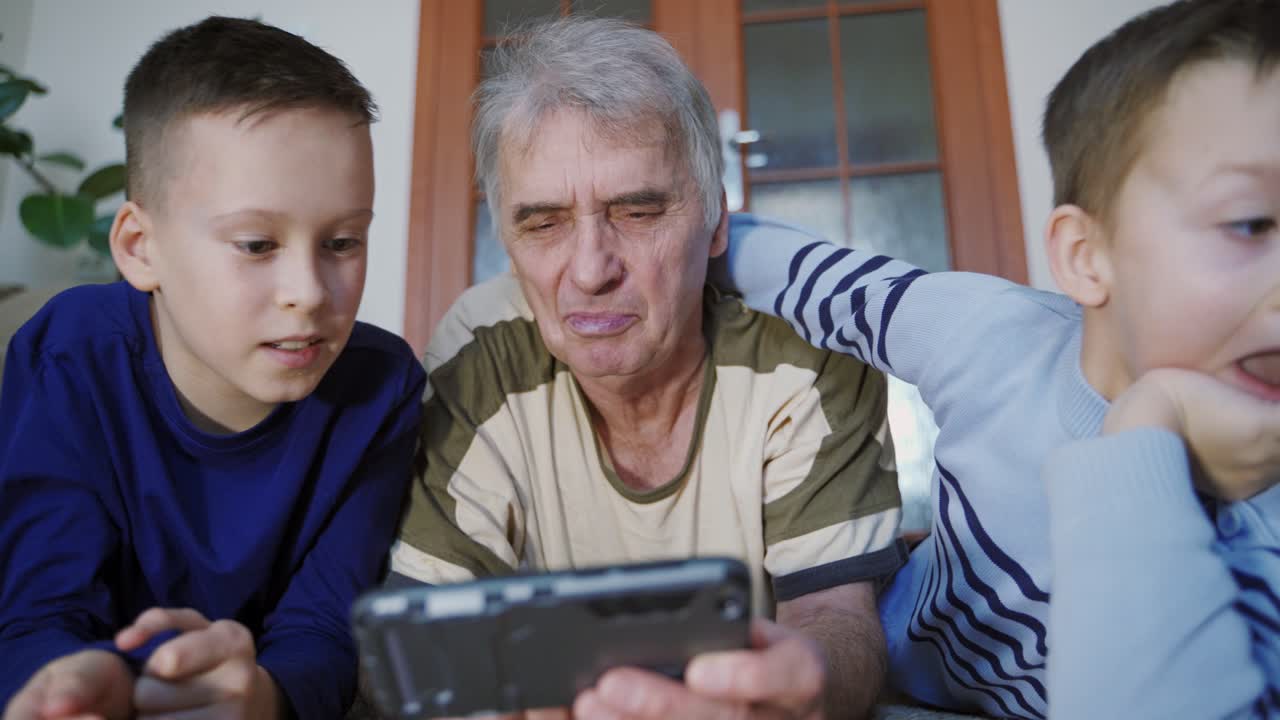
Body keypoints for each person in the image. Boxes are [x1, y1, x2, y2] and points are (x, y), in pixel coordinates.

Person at [712, 0, 1280, 717]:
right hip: (874, 677)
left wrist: (1143, 432)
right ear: (1086, 256)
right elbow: (787, 268)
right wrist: (669, 232)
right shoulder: (991, 334)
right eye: (1250, 223)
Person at [390, 16, 903, 720]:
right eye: (543, 224)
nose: (592, 270)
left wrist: (801, 683)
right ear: (507, 238)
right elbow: (429, 646)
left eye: (636, 211)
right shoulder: (478, 358)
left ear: (716, 218)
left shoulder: (807, 354)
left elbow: (836, 620)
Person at [0, 16, 425, 720]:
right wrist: (70, 682)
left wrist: (261, 695)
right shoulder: (68, 354)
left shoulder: (381, 388)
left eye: (343, 241)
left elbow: (324, 630)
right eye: (257, 243)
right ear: (140, 247)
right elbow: (37, 610)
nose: (311, 292)